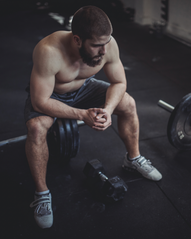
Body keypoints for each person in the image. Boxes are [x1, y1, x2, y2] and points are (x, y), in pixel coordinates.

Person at [24, 5, 162, 229]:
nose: (104, 51)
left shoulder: (108, 44)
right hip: (53, 95)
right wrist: (81, 114)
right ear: (77, 40)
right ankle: (42, 193)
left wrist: (107, 110)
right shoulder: (49, 50)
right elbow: (39, 101)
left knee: (128, 103)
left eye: (106, 43)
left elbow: (119, 82)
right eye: (97, 45)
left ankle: (133, 159)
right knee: (37, 128)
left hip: (85, 88)